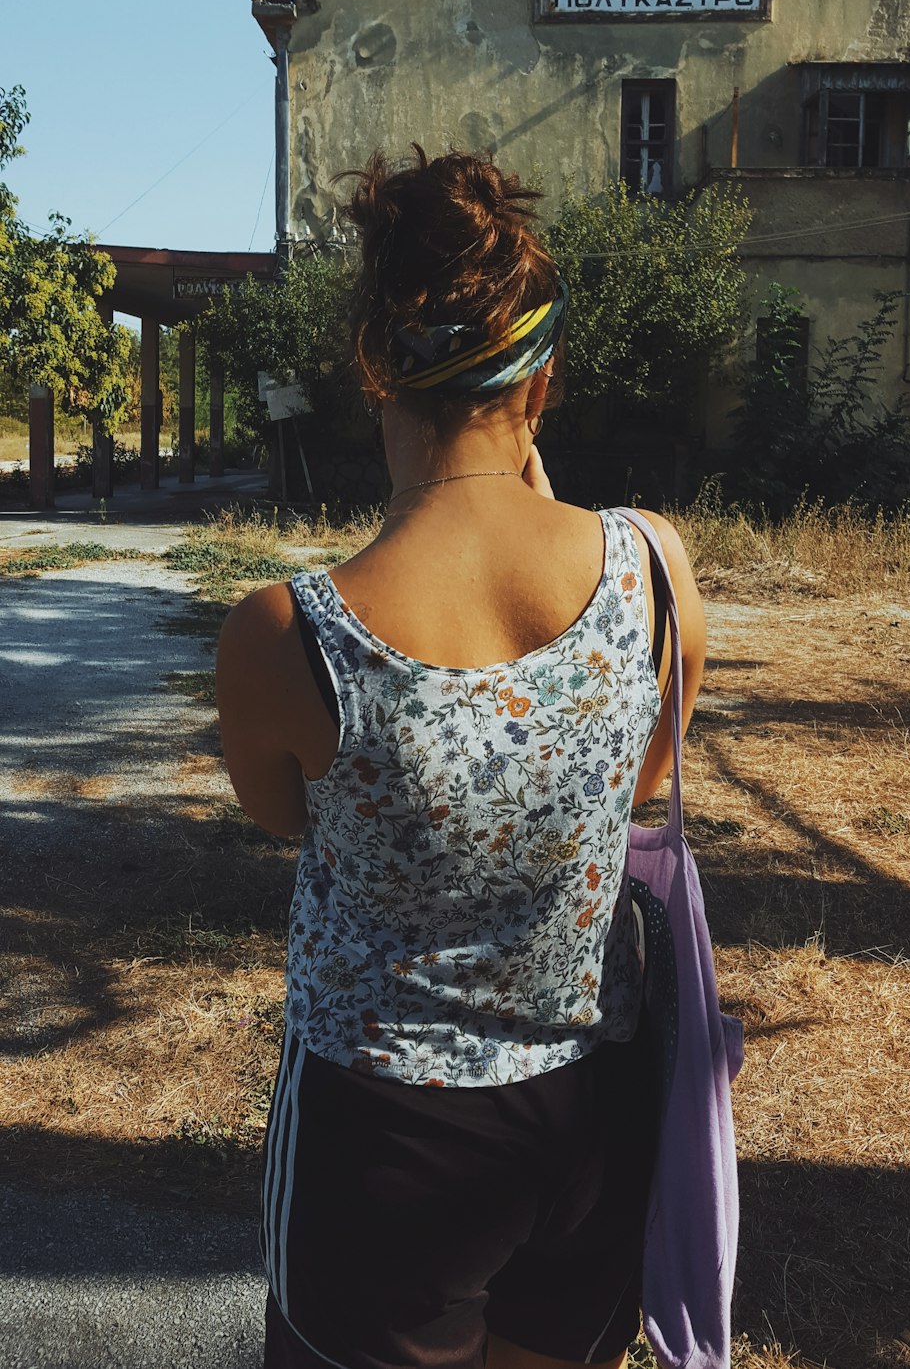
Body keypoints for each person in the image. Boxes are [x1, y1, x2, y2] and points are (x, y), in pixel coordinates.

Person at [216, 146, 706, 1369]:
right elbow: (638, 787)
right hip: (589, 1101)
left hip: (377, 1137)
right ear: (540, 383)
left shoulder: (287, 631)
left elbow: (286, 818)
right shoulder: (653, 568)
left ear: (373, 366)